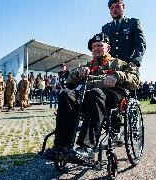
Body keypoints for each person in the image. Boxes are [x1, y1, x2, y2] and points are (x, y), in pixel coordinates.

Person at [45, 33, 139, 163]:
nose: (96, 48)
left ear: (108, 48)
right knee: (66, 94)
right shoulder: (87, 65)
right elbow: (69, 82)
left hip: (110, 98)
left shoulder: (119, 63)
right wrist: (78, 73)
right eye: (93, 46)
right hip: (87, 97)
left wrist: (116, 76)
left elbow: (135, 81)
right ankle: (61, 147)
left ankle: (86, 148)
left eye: (100, 45)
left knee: (95, 93)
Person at [102, 0, 146, 68]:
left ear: (123, 6)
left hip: (129, 67)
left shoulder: (133, 23)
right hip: (110, 68)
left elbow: (140, 44)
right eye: (111, 8)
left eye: (117, 7)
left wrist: (136, 61)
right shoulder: (106, 28)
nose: (114, 10)